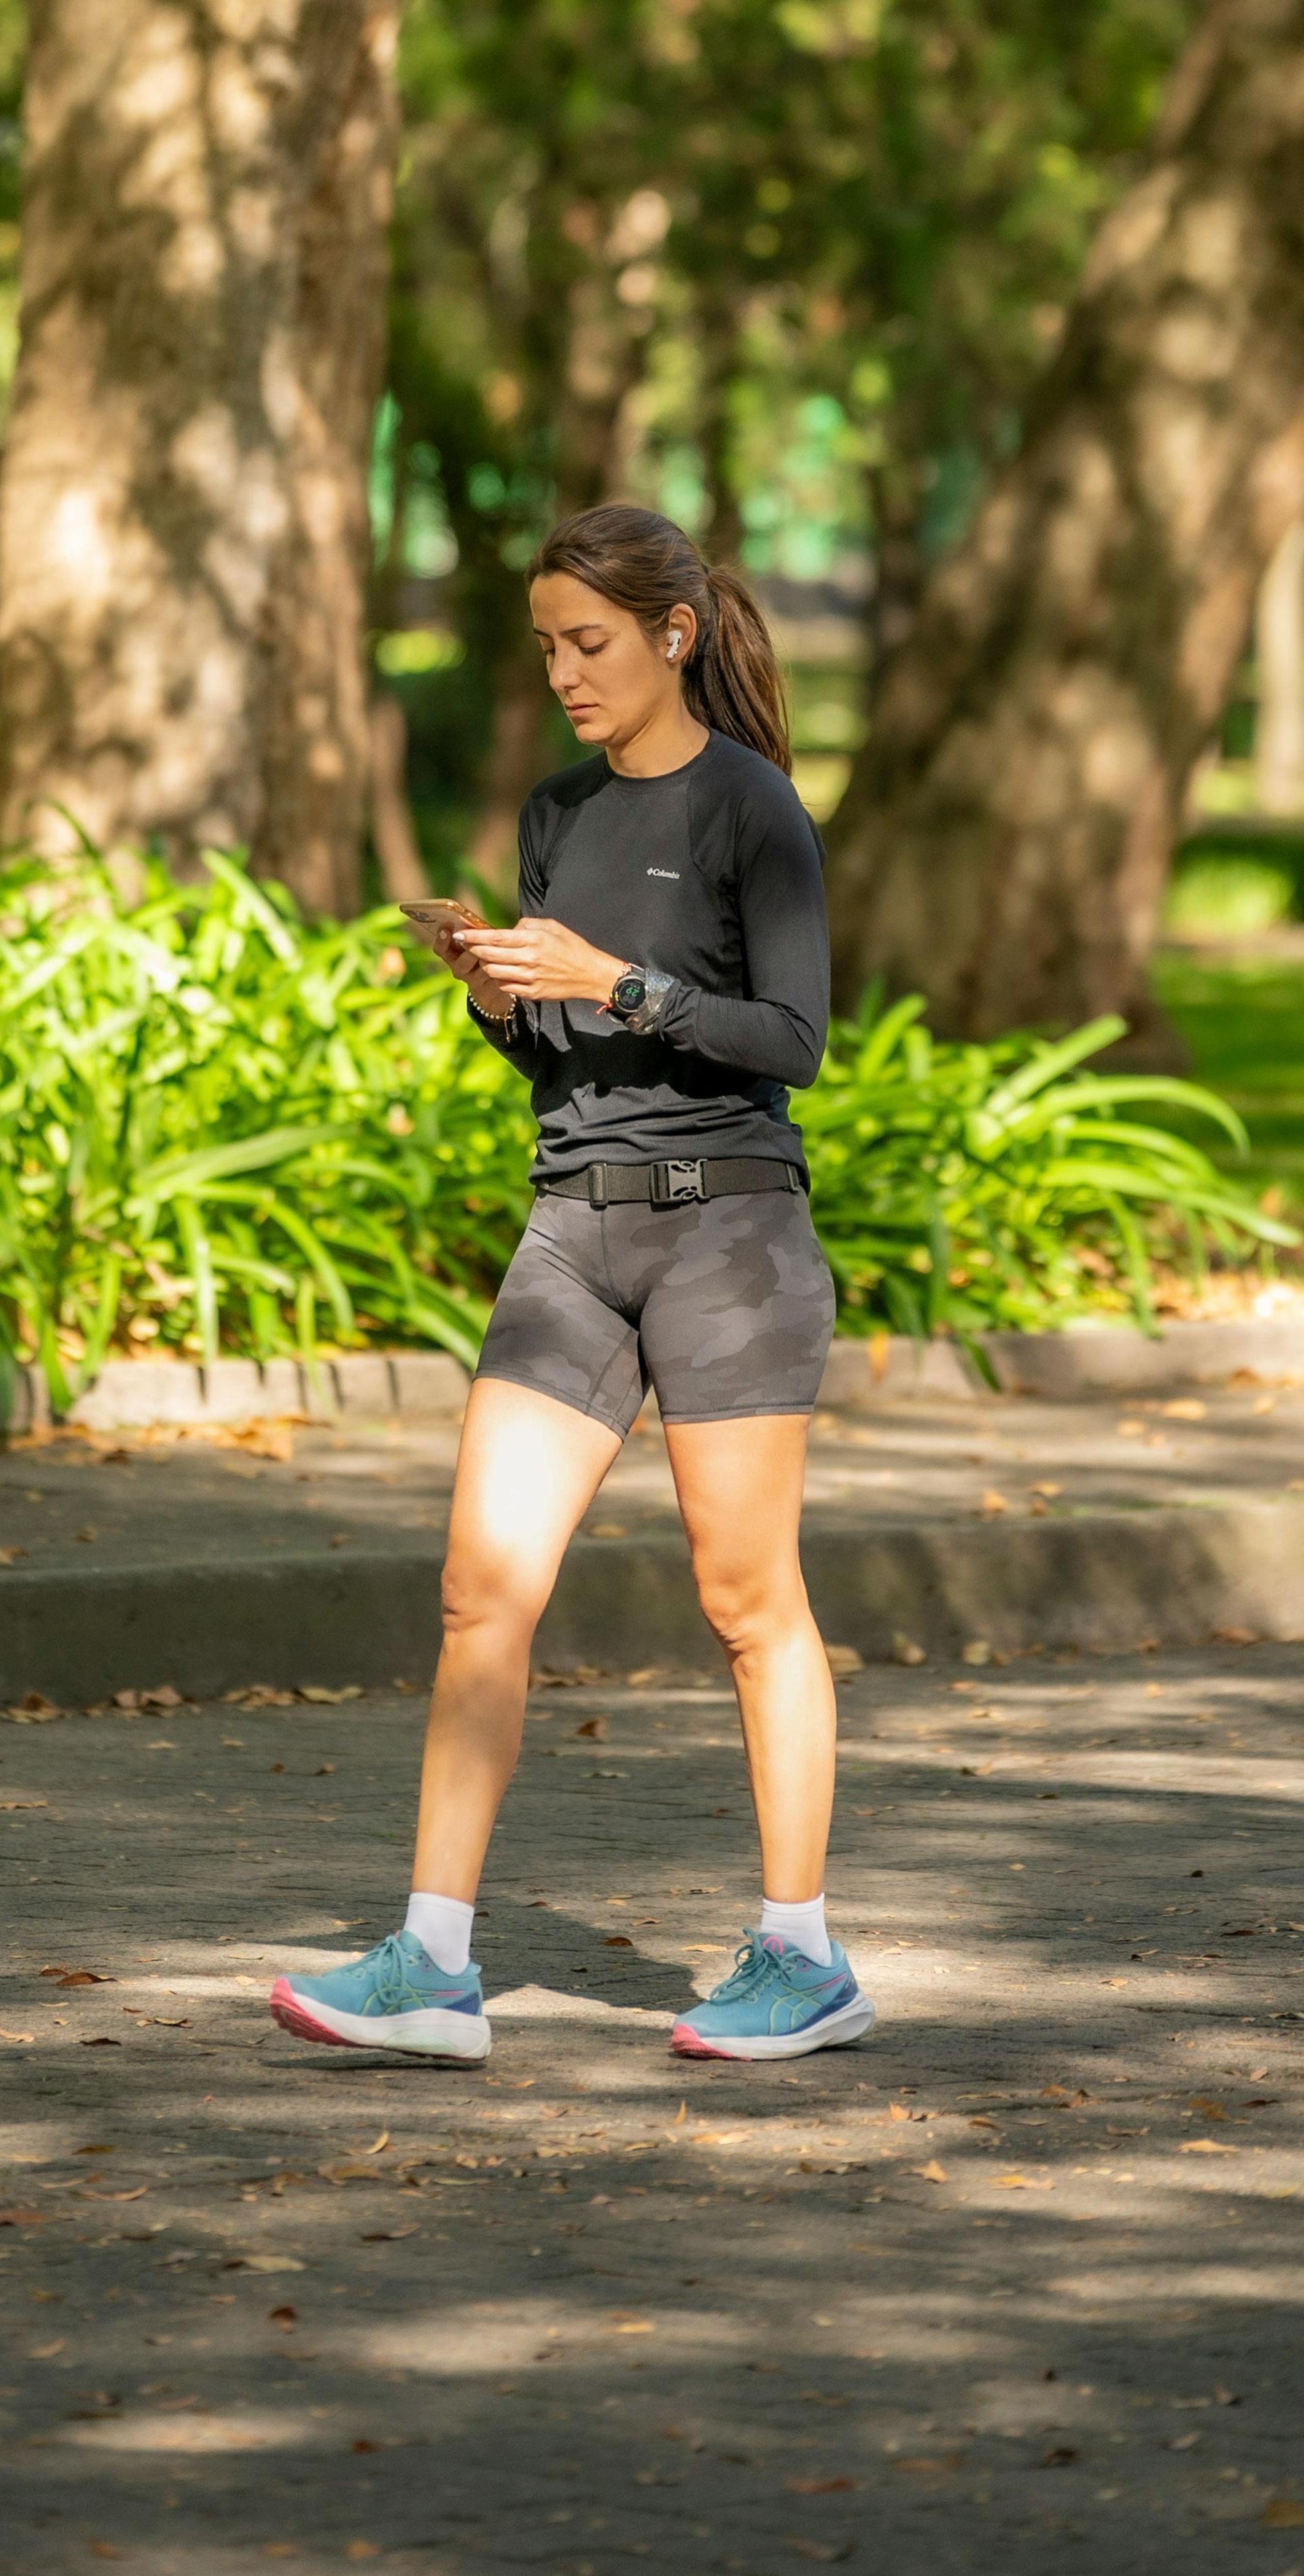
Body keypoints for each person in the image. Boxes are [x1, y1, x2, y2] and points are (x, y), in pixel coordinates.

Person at [268, 503, 872, 2067]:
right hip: (573, 1233)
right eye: (546, 647)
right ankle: (431, 1962)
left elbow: (793, 1039)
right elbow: (563, 1060)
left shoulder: (752, 808)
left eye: (588, 643)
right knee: (482, 1588)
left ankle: (803, 1954)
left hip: (728, 1236)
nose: (564, 674)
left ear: (675, 634)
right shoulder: (557, 812)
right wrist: (502, 996)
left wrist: (620, 981)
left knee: (747, 1602)